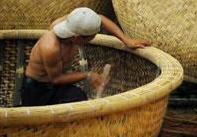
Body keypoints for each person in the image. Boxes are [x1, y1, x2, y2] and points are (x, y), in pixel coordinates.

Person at [21, 7, 150, 106]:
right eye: (93, 35)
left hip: (55, 86)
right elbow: (56, 79)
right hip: (36, 89)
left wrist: (126, 40)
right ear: (78, 37)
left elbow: (101, 19)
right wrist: (88, 75)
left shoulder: (75, 21)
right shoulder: (51, 47)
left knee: (79, 97)